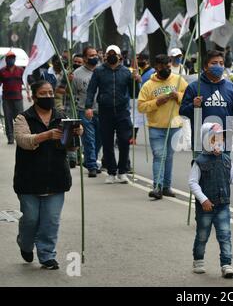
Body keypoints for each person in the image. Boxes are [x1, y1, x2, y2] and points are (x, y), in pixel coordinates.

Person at [13, 80, 83, 270]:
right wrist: (46, 135)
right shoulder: (23, 118)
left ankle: (47, 255)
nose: (48, 97)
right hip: (29, 180)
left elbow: (72, 147)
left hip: (56, 178)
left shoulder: (63, 118)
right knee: (30, 219)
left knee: (51, 221)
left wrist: (76, 134)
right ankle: (25, 244)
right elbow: (23, 141)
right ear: (34, 97)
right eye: (43, 94)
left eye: (50, 92)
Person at [189, 122, 233, 278]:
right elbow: (192, 182)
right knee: (202, 235)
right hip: (205, 207)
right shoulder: (199, 162)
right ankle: (198, 260)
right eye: (214, 139)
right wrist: (203, 199)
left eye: (221, 139)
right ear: (205, 140)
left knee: (225, 235)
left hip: (223, 206)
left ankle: (226, 264)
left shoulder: (226, 159)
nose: (219, 142)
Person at [85, 45, 141, 184]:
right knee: (107, 142)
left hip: (123, 111)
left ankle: (122, 171)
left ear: (119, 56)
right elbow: (91, 90)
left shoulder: (127, 72)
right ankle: (111, 172)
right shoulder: (99, 71)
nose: (111, 56)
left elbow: (135, 93)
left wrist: (136, 80)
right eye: (108, 53)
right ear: (105, 56)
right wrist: (88, 107)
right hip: (105, 111)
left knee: (124, 141)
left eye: (113, 54)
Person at [180, 50, 233, 154]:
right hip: (201, 144)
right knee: (201, 170)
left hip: (224, 143)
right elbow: (183, 112)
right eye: (214, 63)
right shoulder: (194, 87)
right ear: (205, 67)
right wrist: (193, 106)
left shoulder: (231, 88)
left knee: (223, 170)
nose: (218, 66)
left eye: (221, 63)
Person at [138, 54, 188, 199]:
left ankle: (167, 186)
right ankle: (157, 187)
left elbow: (189, 97)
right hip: (156, 127)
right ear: (156, 67)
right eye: (162, 67)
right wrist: (157, 102)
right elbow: (141, 106)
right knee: (160, 156)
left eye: (168, 67)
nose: (166, 70)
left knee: (169, 157)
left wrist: (177, 95)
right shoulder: (148, 85)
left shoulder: (178, 80)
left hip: (174, 126)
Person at [72, 46, 102, 178]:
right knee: (89, 139)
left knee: (99, 139)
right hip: (84, 110)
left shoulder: (102, 71)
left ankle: (90, 160)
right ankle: (92, 165)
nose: (94, 57)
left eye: (95, 55)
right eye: (91, 55)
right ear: (84, 58)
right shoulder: (77, 74)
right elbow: (71, 93)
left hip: (101, 111)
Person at [0, 51, 29, 144]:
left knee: (20, 118)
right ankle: (10, 137)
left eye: (12, 58)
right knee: (8, 119)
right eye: (9, 58)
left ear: (14, 59)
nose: (11, 59)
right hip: (6, 99)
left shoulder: (20, 70)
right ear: (6, 59)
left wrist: (28, 94)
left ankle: (21, 137)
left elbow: (25, 82)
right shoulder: (2, 71)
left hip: (18, 98)